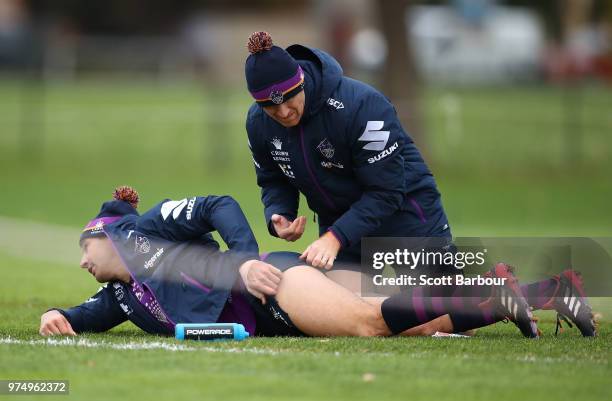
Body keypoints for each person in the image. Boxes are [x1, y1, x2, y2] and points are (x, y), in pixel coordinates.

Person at [39, 187, 595, 338]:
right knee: (416, 324)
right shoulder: (119, 297)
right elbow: (82, 315)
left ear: (104, 234)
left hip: (276, 287)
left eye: (83, 249)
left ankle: (500, 293)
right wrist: (58, 316)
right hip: (276, 314)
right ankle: (547, 290)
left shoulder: (147, 227)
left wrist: (242, 262)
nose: (82, 262)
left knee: (371, 324)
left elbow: (219, 204)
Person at [244, 31, 451, 278]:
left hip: (406, 217)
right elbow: (272, 177)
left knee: (440, 310)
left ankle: (498, 289)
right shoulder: (258, 124)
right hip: (341, 226)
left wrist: (335, 237)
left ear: (301, 82)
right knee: (344, 312)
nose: (284, 112)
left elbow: (386, 192)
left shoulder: (362, 106)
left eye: (289, 99)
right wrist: (280, 213)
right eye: (271, 107)